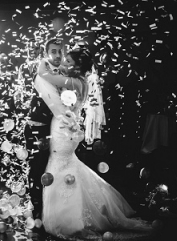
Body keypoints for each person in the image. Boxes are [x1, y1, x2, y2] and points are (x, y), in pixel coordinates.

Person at [35, 45, 157, 239]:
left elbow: (43, 74)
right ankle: (80, 212)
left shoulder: (73, 82)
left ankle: (68, 220)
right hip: (68, 129)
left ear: (77, 68)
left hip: (64, 131)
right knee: (68, 167)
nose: (64, 64)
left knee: (60, 168)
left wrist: (45, 59)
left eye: (68, 62)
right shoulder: (80, 82)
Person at [24, 37, 63, 227]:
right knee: (37, 169)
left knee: (52, 168)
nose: (57, 55)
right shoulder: (42, 72)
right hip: (36, 128)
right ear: (46, 54)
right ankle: (37, 209)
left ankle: (51, 208)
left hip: (52, 129)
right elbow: (54, 103)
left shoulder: (62, 73)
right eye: (53, 51)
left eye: (60, 51)